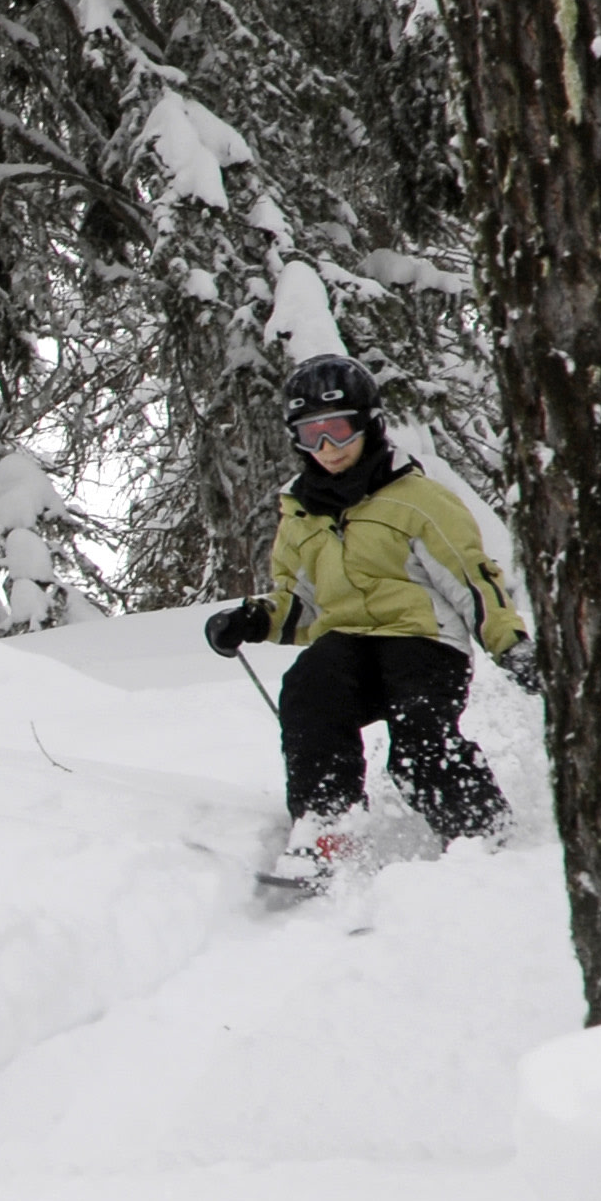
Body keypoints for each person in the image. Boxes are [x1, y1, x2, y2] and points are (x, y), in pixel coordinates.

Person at [203, 352, 534, 883]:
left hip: (424, 642)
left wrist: (509, 642)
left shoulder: (418, 500)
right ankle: (328, 830)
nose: (326, 448)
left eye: (337, 430)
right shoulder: (300, 513)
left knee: (418, 733)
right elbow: (302, 604)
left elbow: (474, 580)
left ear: (369, 424)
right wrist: (254, 619)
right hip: (348, 644)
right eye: (310, 435)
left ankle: (482, 839)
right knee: (310, 690)